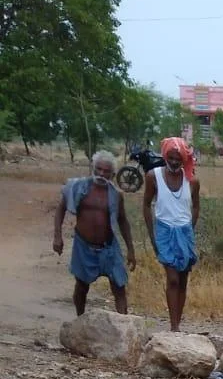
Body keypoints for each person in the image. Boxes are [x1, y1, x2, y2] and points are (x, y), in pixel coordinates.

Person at [53, 151, 136, 316]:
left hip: (109, 247)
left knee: (119, 286)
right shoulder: (79, 187)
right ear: (93, 168)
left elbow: (123, 221)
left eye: (106, 171)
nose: (101, 174)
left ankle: (124, 325)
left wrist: (130, 250)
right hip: (83, 246)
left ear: (113, 174)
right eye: (99, 169)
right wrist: (57, 236)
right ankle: (80, 319)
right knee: (82, 286)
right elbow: (61, 209)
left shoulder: (116, 195)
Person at [143, 137, 200, 332]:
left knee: (183, 280)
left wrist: (190, 229)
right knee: (173, 279)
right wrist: (152, 236)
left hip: (184, 232)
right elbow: (146, 204)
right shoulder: (153, 176)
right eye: (171, 157)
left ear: (184, 159)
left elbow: (196, 206)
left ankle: (178, 323)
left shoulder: (191, 180)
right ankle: (173, 326)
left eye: (178, 158)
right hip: (165, 231)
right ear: (165, 156)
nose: (174, 162)